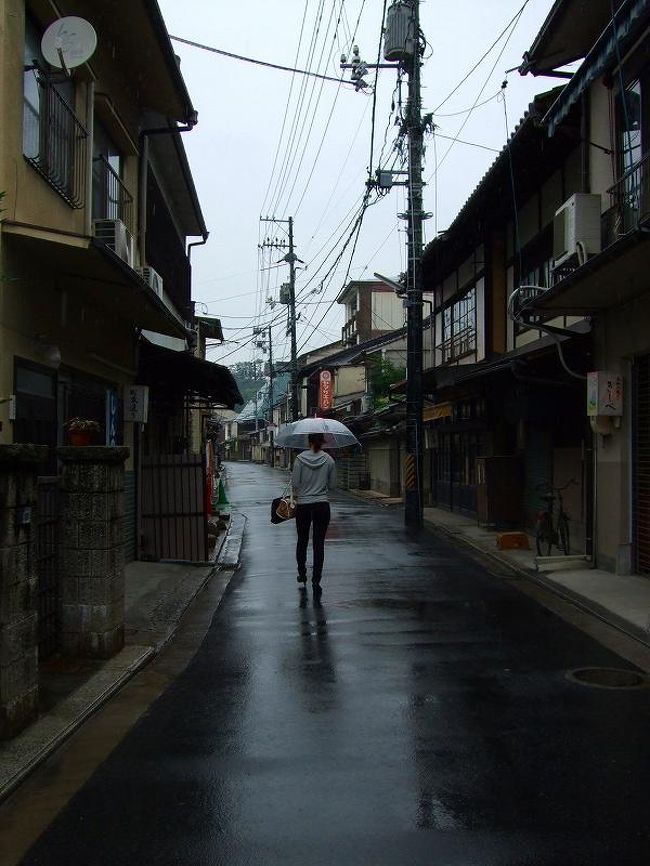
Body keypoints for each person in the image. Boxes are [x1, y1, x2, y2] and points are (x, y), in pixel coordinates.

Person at [291, 433, 336, 592]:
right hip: (322, 505)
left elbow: (295, 484)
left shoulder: (299, 459)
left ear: (308, 441)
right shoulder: (329, 460)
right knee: (319, 543)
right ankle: (316, 579)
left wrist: (303, 488)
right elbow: (332, 485)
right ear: (322, 442)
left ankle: (302, 573)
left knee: (302, 541)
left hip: (303, 505)